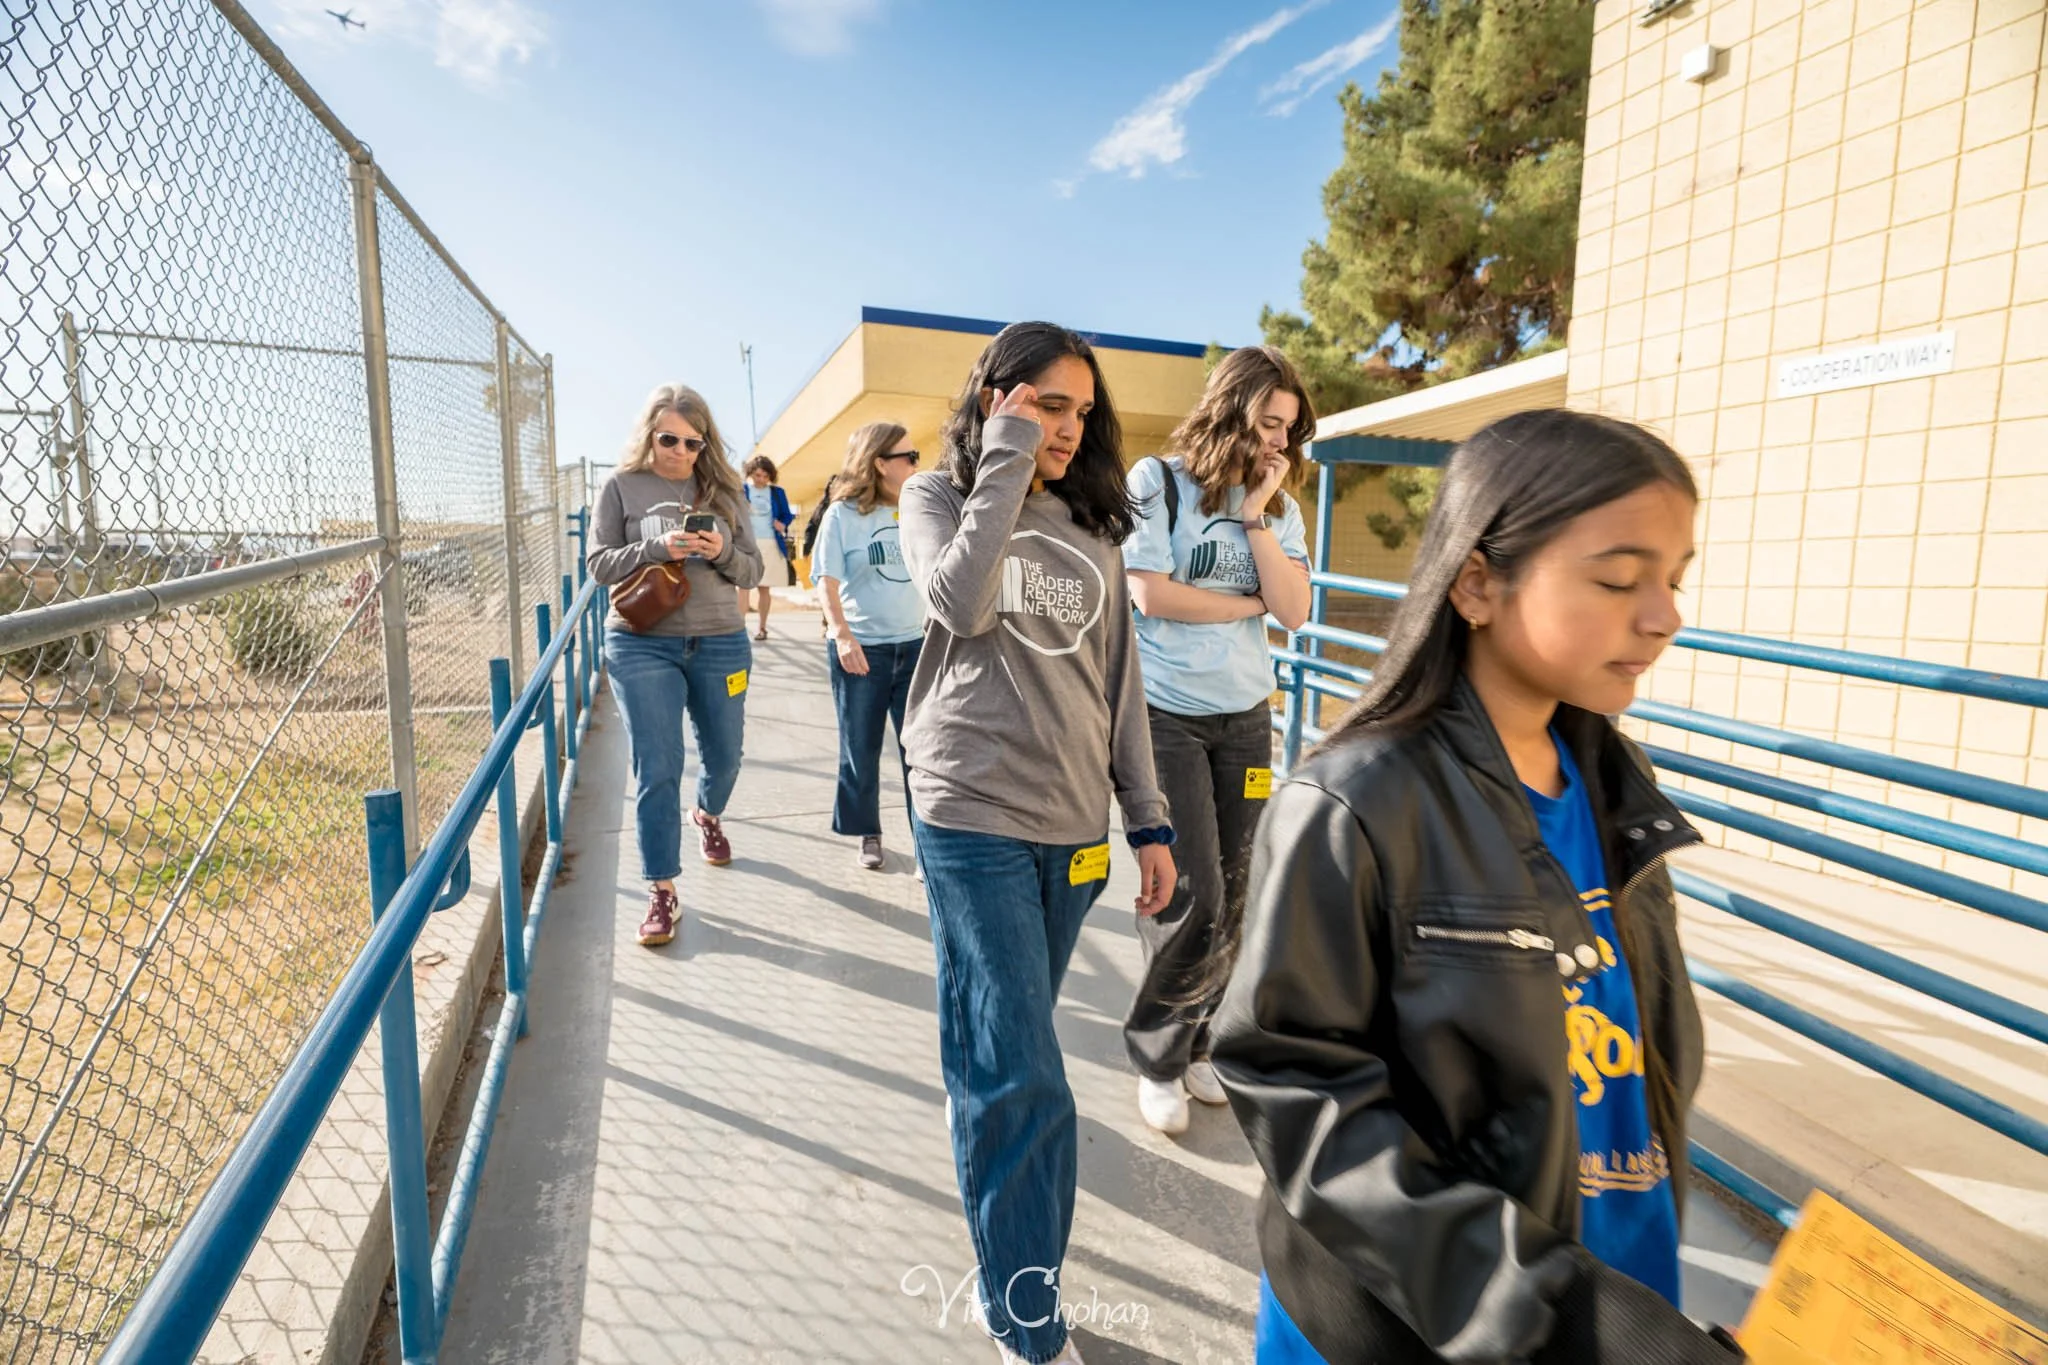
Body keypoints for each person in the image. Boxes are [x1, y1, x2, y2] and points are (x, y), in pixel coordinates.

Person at [1209, 410, 1746, 1364]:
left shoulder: (1619, 792)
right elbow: (1299, 1093)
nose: (1664, 613)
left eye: (1674, 577)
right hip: (1413, 1326)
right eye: (1619, 577)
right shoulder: (1352, 804)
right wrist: (1567, 1321)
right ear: (1476, 581)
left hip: (1608, 1306)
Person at [898, 322, 1176, 1365]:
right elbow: (956, 603)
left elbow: (1120, 687)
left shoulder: (1097, 523)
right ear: (997, 398)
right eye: (1047, 404)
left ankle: (982, 1137)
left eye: (1080, 409)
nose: (1069, 426)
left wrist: (1145, 816)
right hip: (967, 808)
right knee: (1026, 1074)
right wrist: (1003, 459)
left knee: (1001, 1055)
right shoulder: (936, 497)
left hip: (1073, 828)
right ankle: (1023, 1315)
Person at [1120, 344, 1315, 1137]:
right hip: (1164, 714)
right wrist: (1244, 607)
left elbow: (1295, 610)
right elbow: (1148, 593)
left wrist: (1256, 518)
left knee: (1238, 895)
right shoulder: (1156, 483)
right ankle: (1157, 1057)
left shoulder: (1278, 505)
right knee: (1193, 890)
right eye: (1266, 422)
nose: (1277, 442)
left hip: (1246, 718)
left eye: (1288, 430)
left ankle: (1199, 1039)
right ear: (1229, 407)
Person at [588, 384, 764, 949]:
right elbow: (597, 565)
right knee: (657, 764)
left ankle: (708, 814)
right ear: (649, 435)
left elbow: (754, 572)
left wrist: (721, 554)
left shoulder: (728, 490)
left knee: (726, 755)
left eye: (693, 442)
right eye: (669, 439)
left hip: (721, 642)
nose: (681, 452)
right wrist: (657, 548)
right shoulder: (620, 487)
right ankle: (661, 890)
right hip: (642, 643)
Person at [813, 421, 925, 870]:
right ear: (880, 463)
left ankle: (927, 842)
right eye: (909, 457)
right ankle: (868, 832)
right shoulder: (843, 515)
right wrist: (841, 634)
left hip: (917, 648)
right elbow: (825, 579)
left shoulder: (920, 509)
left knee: (922, 753)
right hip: (863, 650)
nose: (918, 464)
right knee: (860, 747)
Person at [738, 454, 795, 640]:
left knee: (764, 588)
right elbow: (733, 512)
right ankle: (739, 629)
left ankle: (762, 628)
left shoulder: (777, 493)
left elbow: (787, 515)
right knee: (744, 586)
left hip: (770, 543)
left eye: (764, 476)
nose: (761, 479)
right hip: (747, 543)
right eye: (757, 475)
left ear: (770, 475)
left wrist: (783, 523)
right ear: (750, 474)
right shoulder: (742, 490)